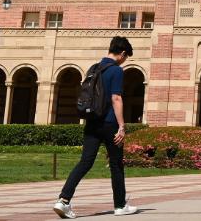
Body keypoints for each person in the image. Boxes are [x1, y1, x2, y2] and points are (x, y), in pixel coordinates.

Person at [53, 36, 139, 218]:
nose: (125, 60)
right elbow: (116, 98)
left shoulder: (94, 68)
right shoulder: (116, 71)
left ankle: (63, 200)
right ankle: (120, 205)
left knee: (85, 162)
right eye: (126, 57)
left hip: (91, 122)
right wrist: (122, 126)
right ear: (122, 53)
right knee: (116, 164)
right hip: (109, 124)